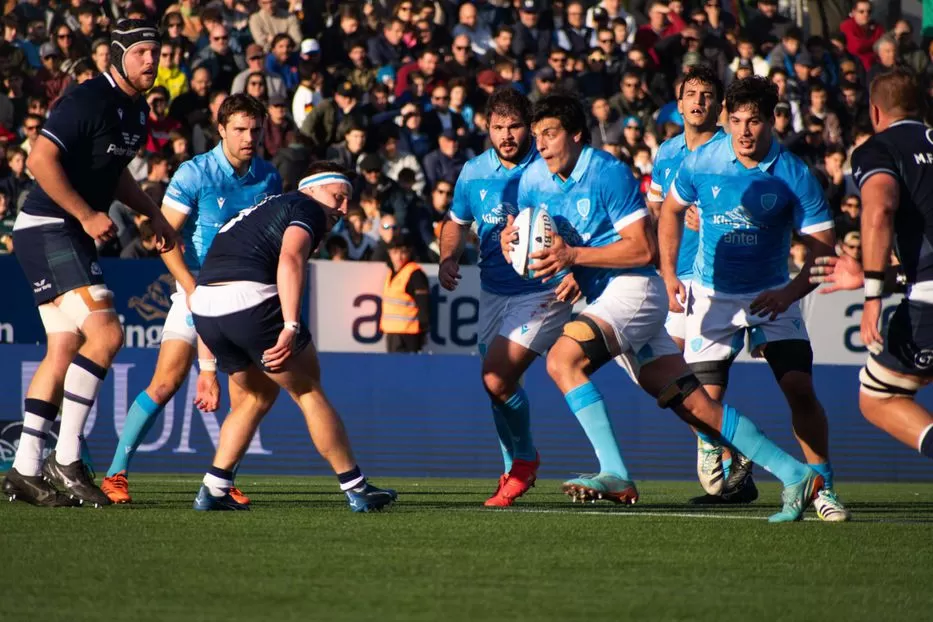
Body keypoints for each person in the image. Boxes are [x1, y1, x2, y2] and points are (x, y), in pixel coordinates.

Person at [501, 92, 823, 522]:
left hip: (633, 290)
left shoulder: (607, 173)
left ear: (576, 134)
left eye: (550, 134)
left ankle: (615, 472)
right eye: (537, 135)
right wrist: (511, 244)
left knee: (563, 360)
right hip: (605, 297)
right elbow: (528, 239)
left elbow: (642, 248)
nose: (540, 144)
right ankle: (795, 473)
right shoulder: (532, 180)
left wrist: (574, 258)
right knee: (696, 406)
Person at [1, 20, 177, 508]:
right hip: (49, 227)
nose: (151, 61)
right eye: (141, 52)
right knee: (108, 335)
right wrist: (85, 213)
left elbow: (113, 172)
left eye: (156, 53)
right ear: (115, 56)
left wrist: (152, 212)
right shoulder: (87, 99)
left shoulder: (136, 112)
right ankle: (68, 455)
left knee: (63, 348)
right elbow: (38, 160)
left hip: (64, 231)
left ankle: (24, 469)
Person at [658, 76, 849, 522]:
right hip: (711, 297)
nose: (744, 131)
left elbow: (824, 248)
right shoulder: (702, 161)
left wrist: (788, 294)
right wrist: (668, 273)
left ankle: (822, 486)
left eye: (755, 121)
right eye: (737, 120)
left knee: (800, 389)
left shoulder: (794, 174)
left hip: (770, 296)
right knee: (702, 405)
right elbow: (668, 211)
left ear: (772, 122)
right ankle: (742, 455)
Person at [98, 94, 282, 504]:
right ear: (220, 129)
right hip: (197, 287)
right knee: (166, 381)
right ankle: (115, 473)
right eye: (239, 129)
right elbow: (164, 237)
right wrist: (191, 288)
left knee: (247, 393)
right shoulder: (195, 173)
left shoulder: (269, 177)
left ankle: (222, 478)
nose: (249, 137)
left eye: (255, 129)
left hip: (246, 294)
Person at [188, 162, 397, 512]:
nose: (343, 209)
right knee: (308, 390)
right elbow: (290, 259)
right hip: (249, 305)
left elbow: (209, 284)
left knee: (256, 395)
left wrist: (206, 367)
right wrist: (289, 325)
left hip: (206, 312)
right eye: (338, 197)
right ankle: (357, 488)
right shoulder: (307, 207)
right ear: (312, 189)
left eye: (348, 201)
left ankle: (214, 488)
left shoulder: (262, 210)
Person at [440, 87, 576, 507]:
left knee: (497, 378)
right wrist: (448, 255)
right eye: (498, 127)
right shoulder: (473, 171)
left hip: (542, 290)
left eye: (515, 126)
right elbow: (456, 221)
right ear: (486, 128)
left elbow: (581, 222)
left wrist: (579, 270)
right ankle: (512, 470)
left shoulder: (548, 167)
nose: (507, 135)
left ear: (529, 126)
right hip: (493, 292)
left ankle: (524, 461)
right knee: (496, 385)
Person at [642, 65, 755, 503]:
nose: (699, 102)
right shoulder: (667, 152)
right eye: (692, 93)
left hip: (716, 283)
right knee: (661, 378)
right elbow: (656, 212)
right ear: (679, 97)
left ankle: (730, 478)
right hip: (674, 279)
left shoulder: (731, 151)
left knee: (703, 389)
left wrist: (708, 214)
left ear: (719, 104)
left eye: (708, 95)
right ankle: (728, 448)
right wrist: (671, 217)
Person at [809, 68, 933, 465]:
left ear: (876, 112)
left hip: (928, 302)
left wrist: (872, 295)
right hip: (923, 284)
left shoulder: (878, 149)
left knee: (878, 397)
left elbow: (878, 210)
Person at [381, 234, 430, 353]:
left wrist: (422, 332)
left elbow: (424, 306)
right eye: (395, 252)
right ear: (389, 252)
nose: (399, 256)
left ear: (409, 252)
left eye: (403, 252)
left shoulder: (414, 274)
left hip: (408, 334)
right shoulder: (392, 273)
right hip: (393, 332)